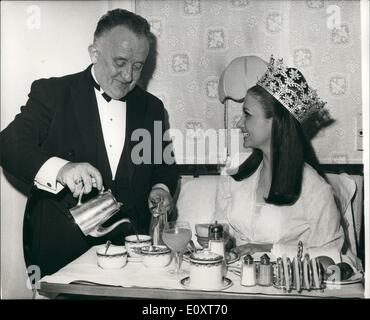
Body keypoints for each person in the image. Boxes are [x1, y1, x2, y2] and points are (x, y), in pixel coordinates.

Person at [0, 9, 178, 276]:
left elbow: (163, 166)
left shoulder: (151, 108)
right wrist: (61, 169)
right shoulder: (53, 93)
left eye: (138, 66)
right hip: (61, 252)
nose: (128, 76)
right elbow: (8, 144)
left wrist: (161, 188)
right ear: (94, 53)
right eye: (120, 62)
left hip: (132, 254)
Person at [216, 56, 345, 257]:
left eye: (247, 114)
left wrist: (271, 250)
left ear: (276, 122)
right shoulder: (236, 175)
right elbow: (221, 226)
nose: (239, 123)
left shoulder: (316, 190)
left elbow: (331, 257)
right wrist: (220, 238)